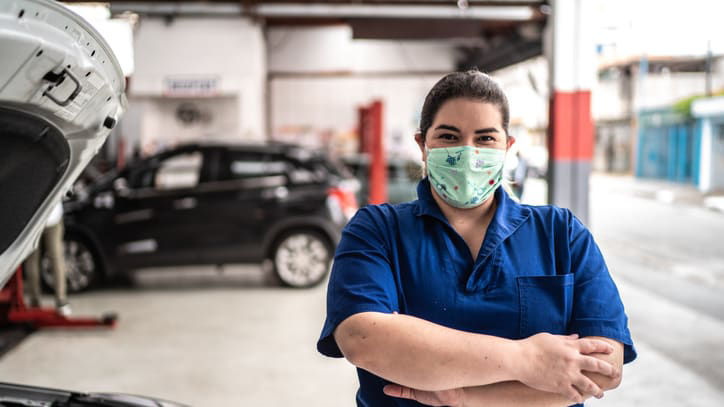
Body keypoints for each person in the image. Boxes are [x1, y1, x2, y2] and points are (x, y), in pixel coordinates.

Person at [317, 70, 636, 407]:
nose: (467, 153)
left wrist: (464, 397)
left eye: (485, 138)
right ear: (423, 145)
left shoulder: (561, 234)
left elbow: (603, 369)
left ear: (507, 146)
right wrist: (528, 359)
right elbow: (363, 338)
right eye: (449, 137)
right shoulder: (377, 230)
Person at [23, 202, 71, 316]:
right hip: (52, 215)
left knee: (32, 258)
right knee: (56, 257)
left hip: (34, 216)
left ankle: (34, 301)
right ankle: (61, 300)